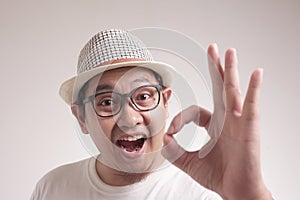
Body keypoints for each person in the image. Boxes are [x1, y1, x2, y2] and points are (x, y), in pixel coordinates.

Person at [30, 29, 273, 199]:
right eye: (106, 101)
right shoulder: (52, 189)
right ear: (81, 118)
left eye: (143, 96)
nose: (129, 119)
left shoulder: (206, 193)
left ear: (165, 103)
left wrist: (252, 196)